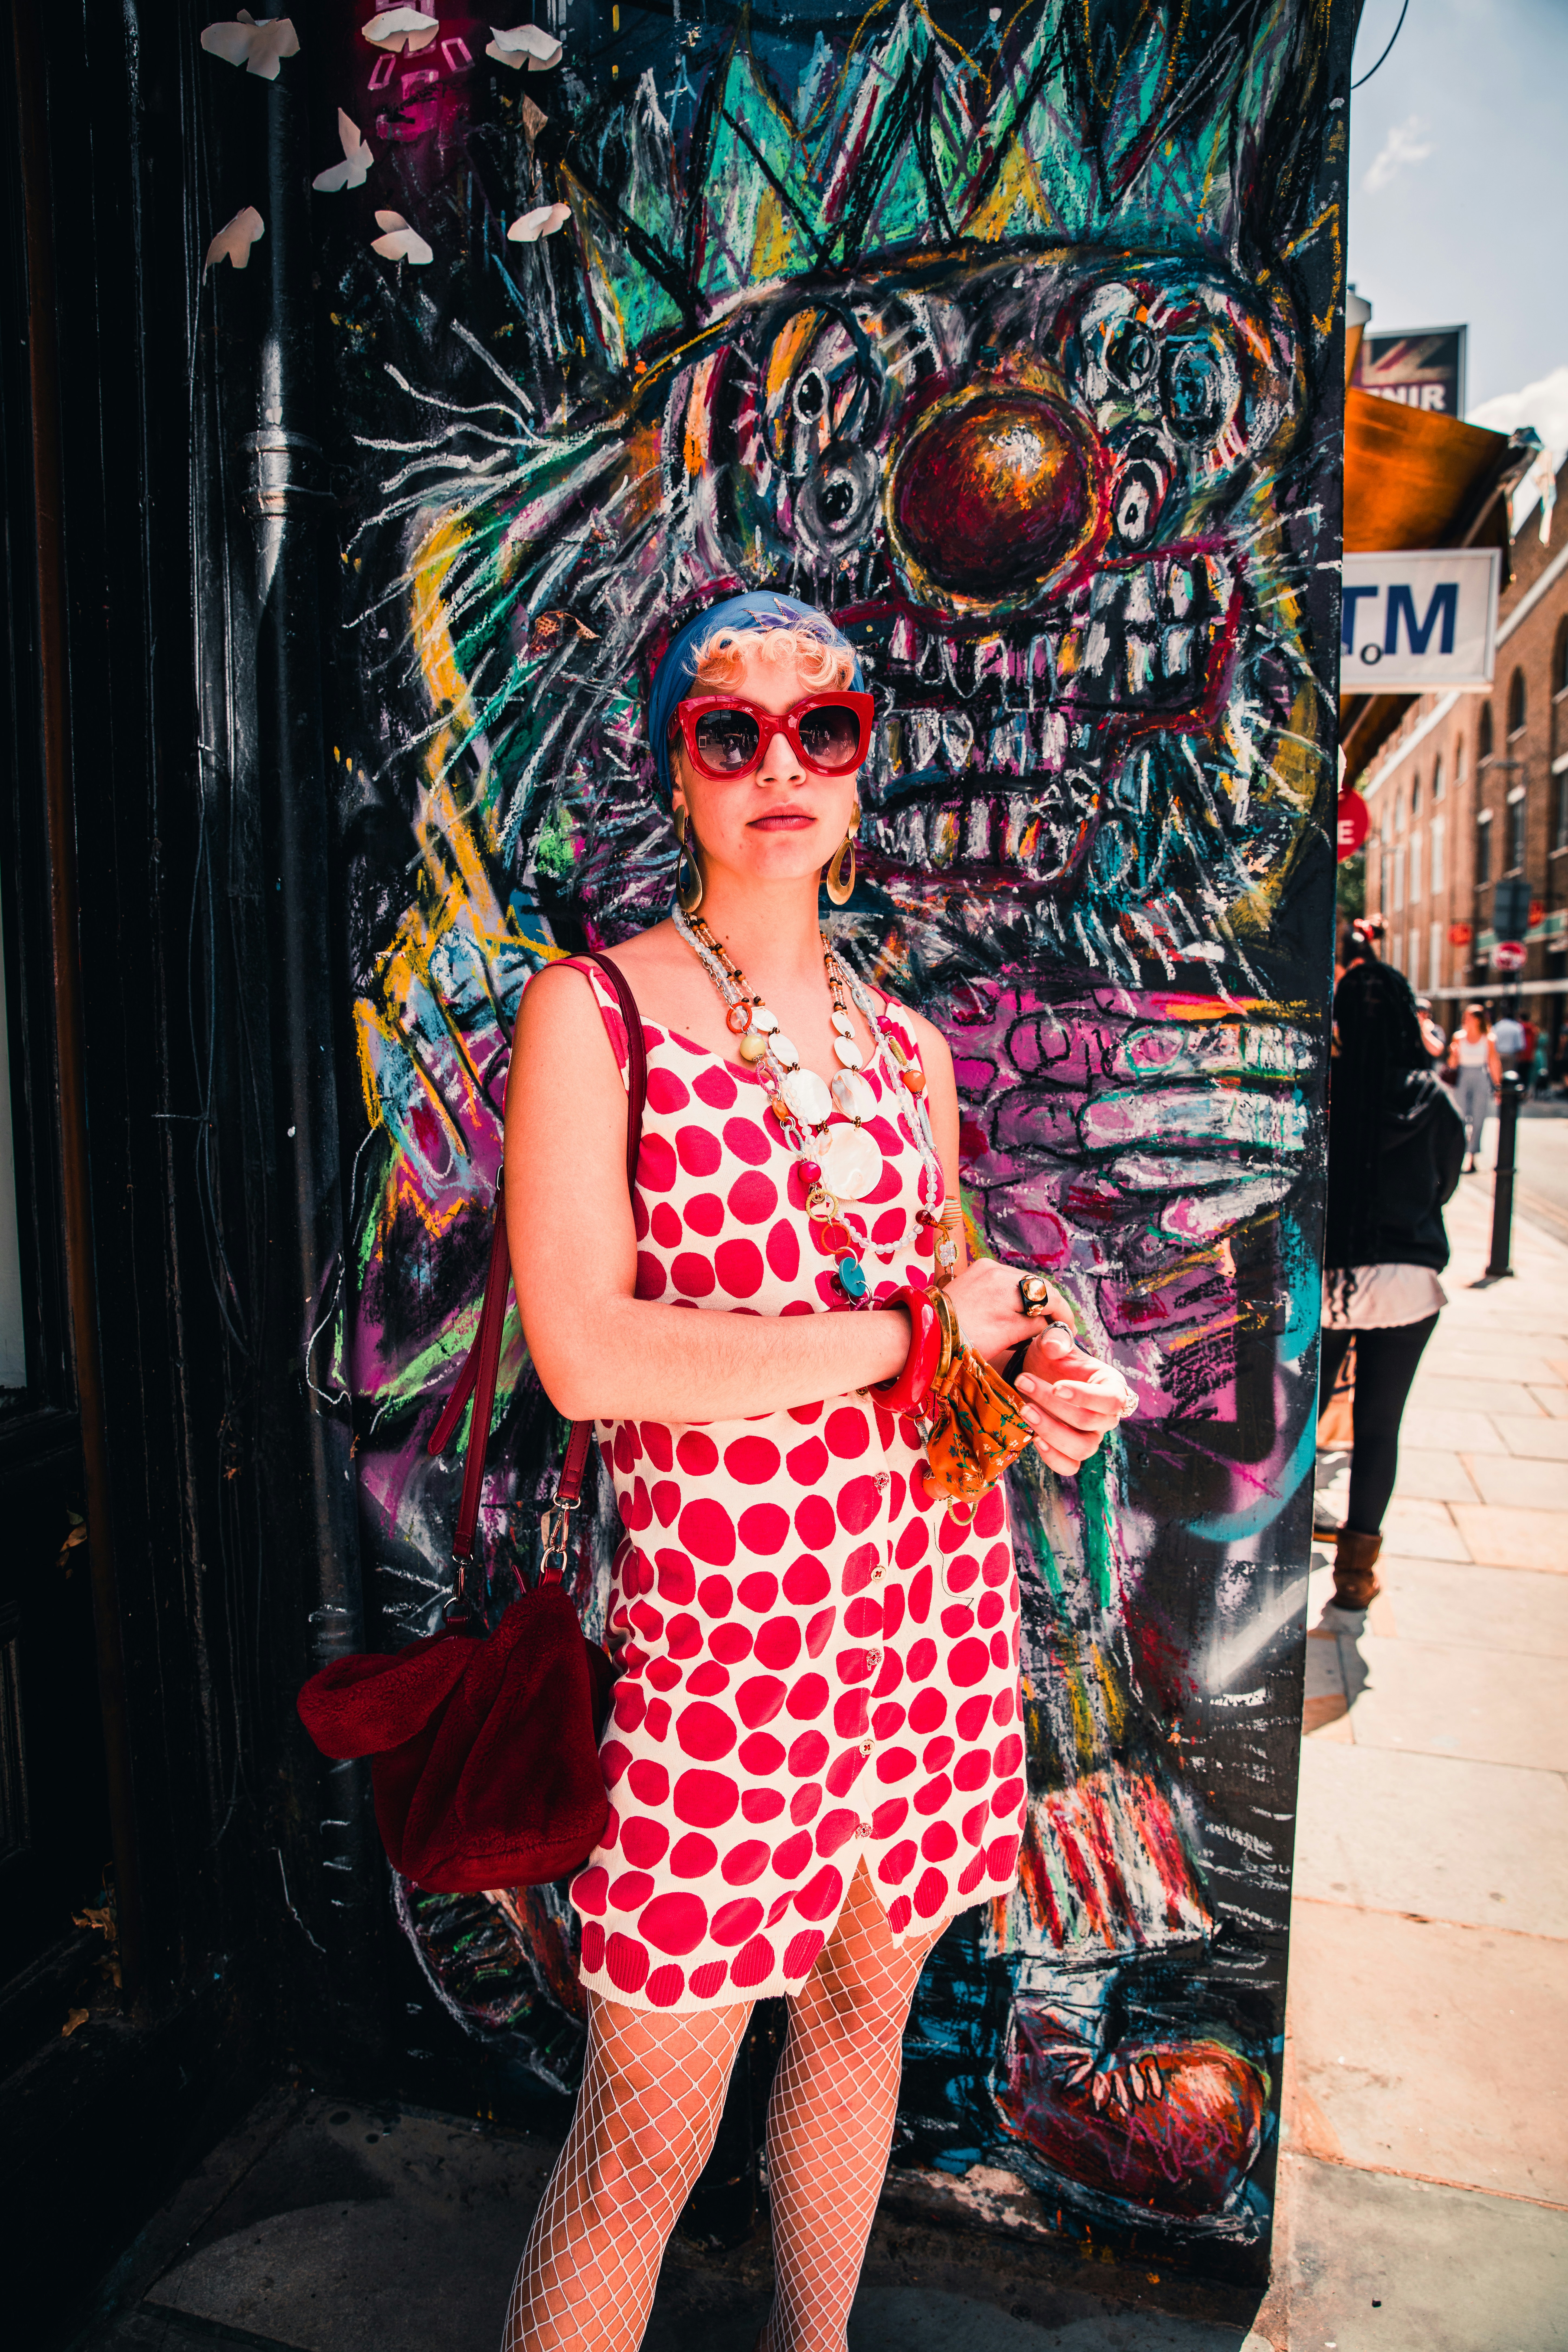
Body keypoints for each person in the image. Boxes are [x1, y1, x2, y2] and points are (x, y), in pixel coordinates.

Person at [499, 592, 1135, 2352]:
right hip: (724, 1657)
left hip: (922, 1617)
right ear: (679, 773)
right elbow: (592, 1354)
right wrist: (906, 1345)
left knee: (864, 2021)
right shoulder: (593, 1018)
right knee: (640, 2135)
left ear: (860, 766)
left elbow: (939, 1321)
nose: (779, 762)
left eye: (821, 728)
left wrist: (1024, 1383)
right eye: (729, 730)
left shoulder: (909, 1053)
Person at [1320, 960, 1465, 1611]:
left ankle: (1282, 1544)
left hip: (1327, 1280)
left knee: (1302, 1421)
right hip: (1407, 1284)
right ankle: (1354, 1574)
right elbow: (1444, 1184)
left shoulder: (1325, 1090)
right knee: (1380, 1428)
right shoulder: (1431, 1097)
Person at [1446, 1003, 1501, 1172]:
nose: (1466, 1020)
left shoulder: (1489, 1038)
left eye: (1469, 1017)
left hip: (1481, 1078)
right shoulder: (1458, 1037)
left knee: (1478, 1120)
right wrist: (1454, 1053)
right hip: (1462, 1078)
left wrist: (1498, 1086)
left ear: (1478, 1020)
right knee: (1460, 1118)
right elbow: (1452, 1065)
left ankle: (1472, 1158)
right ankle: (1458, 1157)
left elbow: (1493, 1063)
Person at [1414, 994, 1446, 1064]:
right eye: (1418, 1013)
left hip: (1429, 1072)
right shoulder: (1409, 1030)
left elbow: (1437, 1051)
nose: (1421, 1017)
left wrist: (1424, 1031)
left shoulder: (1436, 1030)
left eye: (1424, 1014)